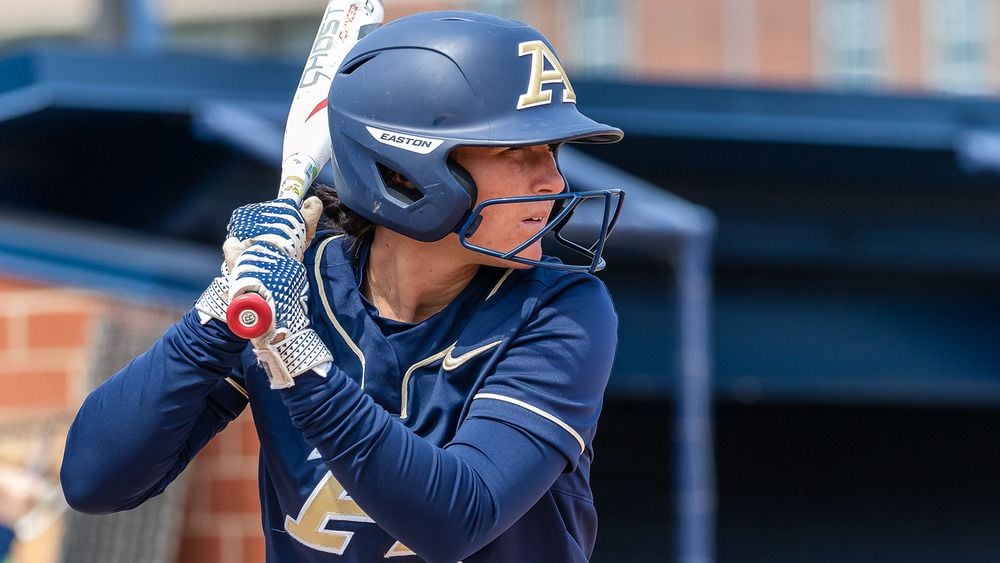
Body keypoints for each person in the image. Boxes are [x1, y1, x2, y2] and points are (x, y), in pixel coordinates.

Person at [61, 11, 624, 562]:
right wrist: (217, 314)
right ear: (404, 171)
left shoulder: (561, 311)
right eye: (517, 151)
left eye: (552, 151)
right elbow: (94, 481)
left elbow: (459, 518)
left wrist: (299, 362)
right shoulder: (299, 289)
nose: (553, 181)